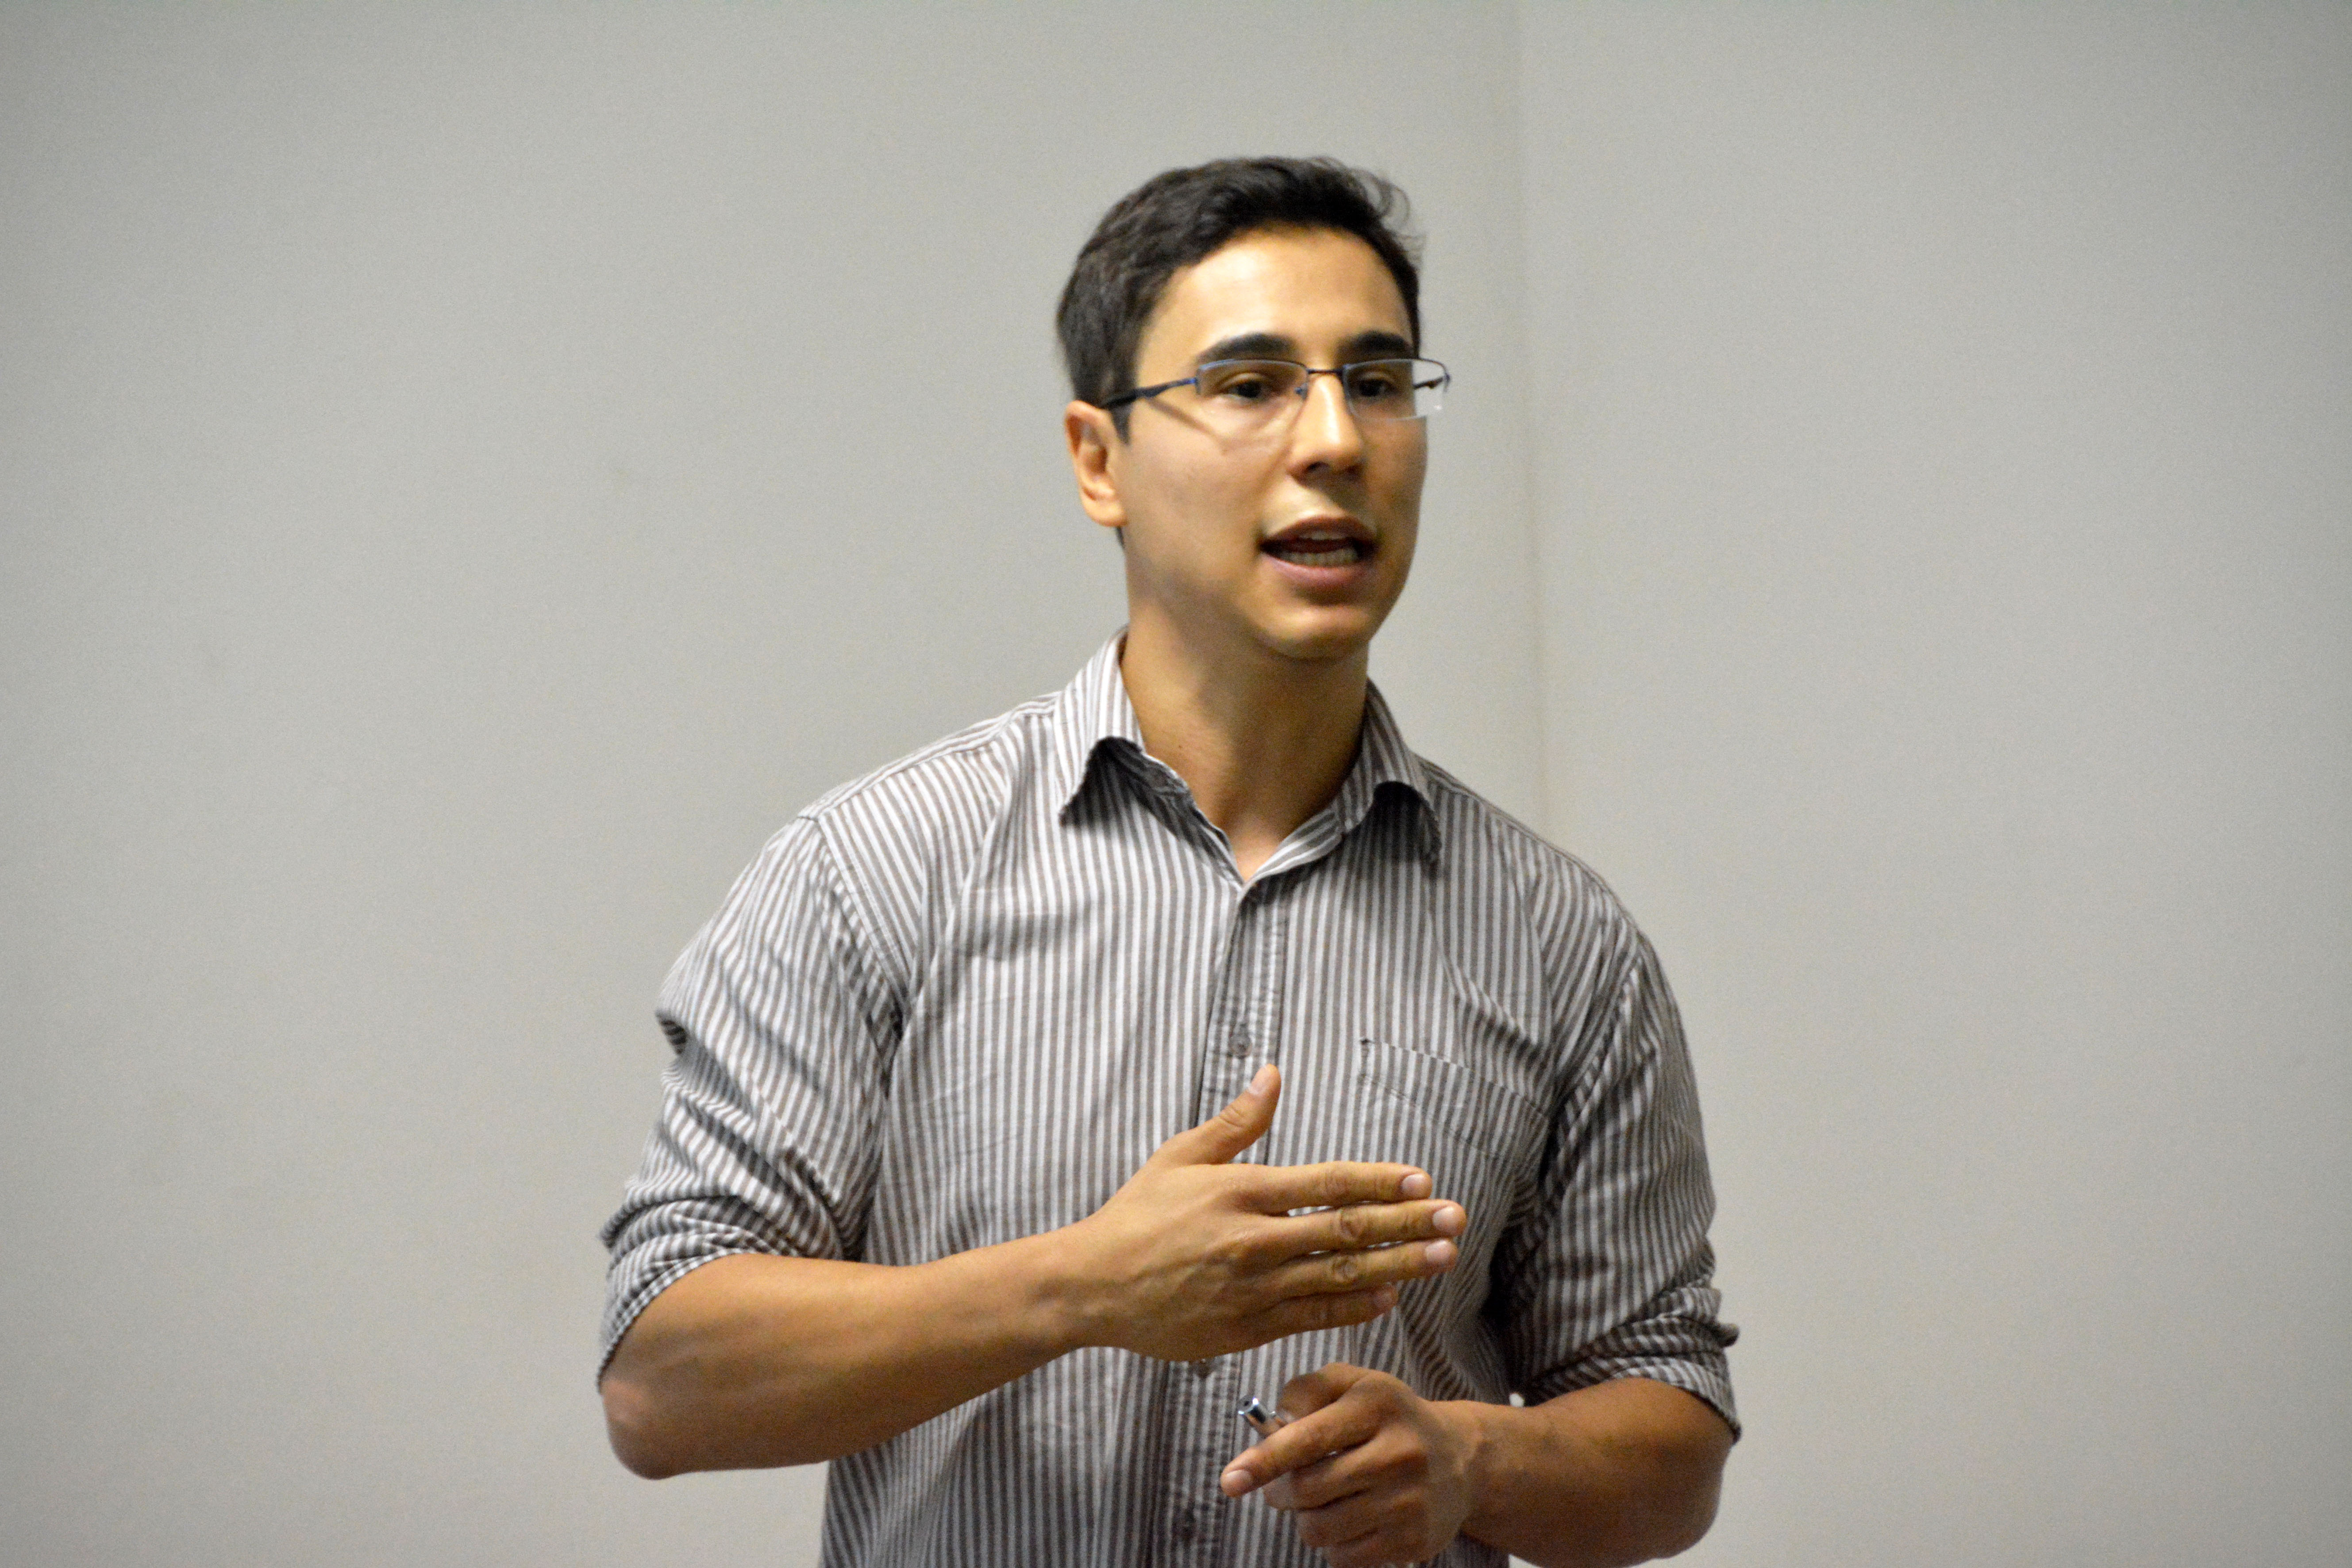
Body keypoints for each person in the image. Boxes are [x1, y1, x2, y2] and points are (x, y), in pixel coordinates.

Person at [598, 156, 1737, 1568]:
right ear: (1100, 461)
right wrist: (1080, 1288)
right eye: (1250, 385)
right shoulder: (873, 872)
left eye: (1378, 381)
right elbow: (662, 1383)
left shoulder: (1561, 941)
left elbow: (1669, 1438)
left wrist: (1469, 1461)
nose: (1335, 439)